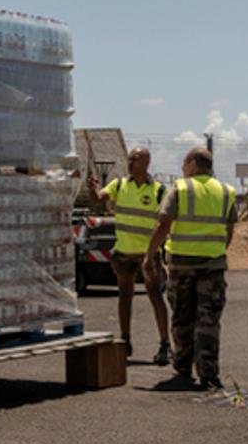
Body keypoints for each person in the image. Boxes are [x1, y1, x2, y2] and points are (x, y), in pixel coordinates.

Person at [145, 147, 236, 390]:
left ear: (194, 164)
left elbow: (163, 223)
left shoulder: (180, 188)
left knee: (182, 317)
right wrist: (216, 251)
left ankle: (183, 366)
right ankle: (208, 372)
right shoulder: (227, 191)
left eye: (185, 162)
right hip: (213, 267)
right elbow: (229, 229)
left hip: (182, 265)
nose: (183, 167)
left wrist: (149, 256)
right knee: (208, 320)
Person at [87, 147, 171, 362]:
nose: (131, 162)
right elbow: (98, 198)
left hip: (147, 254)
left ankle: (164, 344)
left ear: (147, 163)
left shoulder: (159, 191)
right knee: (124, 297)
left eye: (136, 158)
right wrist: (92, 189)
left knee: (155, 297)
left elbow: (165, 223)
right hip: (124, 252)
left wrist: (155, 252)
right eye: (130, 158)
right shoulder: (120, 184)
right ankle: (125, 341)